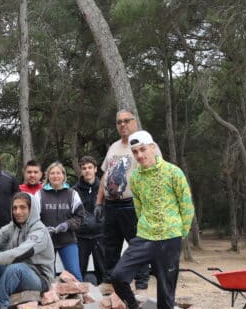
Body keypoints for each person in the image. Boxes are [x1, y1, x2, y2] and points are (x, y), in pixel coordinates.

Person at [111, 130, 194, 309]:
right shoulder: (135, 178)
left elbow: (186, 206)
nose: (139, 155)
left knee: (166, 291)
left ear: (153, 147)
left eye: (142, 150)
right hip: (145, 236)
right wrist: (145, 228)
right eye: (135, 151)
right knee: (118, 275)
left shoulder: (173, 172)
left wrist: (179, 235)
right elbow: (138, 206)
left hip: (170, 238)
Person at [95, 109, 158, 293]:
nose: (122, 125)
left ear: (134, 122)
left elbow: (155, 172)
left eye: (126, 121)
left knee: (137, 244)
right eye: (119, 122)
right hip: (111, 205)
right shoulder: (113, 147)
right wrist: (99, 203)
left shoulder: (144, 145)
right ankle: (109, 283)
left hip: (133, 204)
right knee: (110, 245)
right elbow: (105, 175)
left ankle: (141, 285)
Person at [39, 162, 84, 281]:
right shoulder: (39, 195)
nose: (55, 176)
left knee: (75, 274)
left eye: (58, 173)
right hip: (46, 242)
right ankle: (50, 299)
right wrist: (43, 229)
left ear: (63, 175)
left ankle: (81, 298)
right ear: (48, 176)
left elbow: (79, 217)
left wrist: (67, 225)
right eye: (52, 173)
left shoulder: (72, 194)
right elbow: (34, 219)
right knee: (47, 276)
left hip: (68, 240)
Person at [73, 156, 105, 284]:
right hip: (81, 236)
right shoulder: (74, 190)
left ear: (95, 169)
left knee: (103, 271)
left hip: (100, 235)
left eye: (90, 168)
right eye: (84, 168)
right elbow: (76, 211)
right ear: (81, 171)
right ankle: (78, 298)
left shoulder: (104, 187)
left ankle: (106, 299)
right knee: (79, 271)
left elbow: (107, 208)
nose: (87, 171)